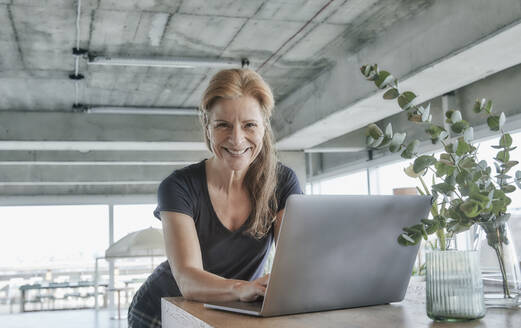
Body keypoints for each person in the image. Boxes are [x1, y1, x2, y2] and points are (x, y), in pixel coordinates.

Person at [127, 68, 302, 327]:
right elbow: (187, 280)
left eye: (249, 125)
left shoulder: (282, 182)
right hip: (161, 310)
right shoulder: (178, 187)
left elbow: (296, 260)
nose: (236, 139)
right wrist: (243, 288)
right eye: (223, 125)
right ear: (207, 128)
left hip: (227, 311)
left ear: (264, 127)